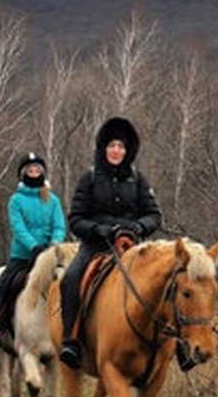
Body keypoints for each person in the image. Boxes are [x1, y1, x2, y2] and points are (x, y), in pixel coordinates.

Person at [57, 117, 163, 369]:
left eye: (121, 147)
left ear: (128, 151)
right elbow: (76, 219)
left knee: (166, 278)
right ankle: (70, 340)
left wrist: (138, 227)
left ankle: (175, 344)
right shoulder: (89, 178)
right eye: (112, 146)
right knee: (70, 278)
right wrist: (102, 230)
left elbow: (154, 215)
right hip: (96, 245)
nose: (116, 151)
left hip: (133, 246)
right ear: (104, 148)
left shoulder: (138, 180)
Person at [0, 152, 67, 358]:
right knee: (5, 284)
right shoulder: (16, 200)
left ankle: (73, 334)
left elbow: (59, 225)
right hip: (23, 256)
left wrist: (53, 244)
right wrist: (33, 246)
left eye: (37, 170)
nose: (34, 173)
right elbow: (18, 227)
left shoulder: (52, 200)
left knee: (69, 282)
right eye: (30, 170)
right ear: (23, 174)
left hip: (50, 255)